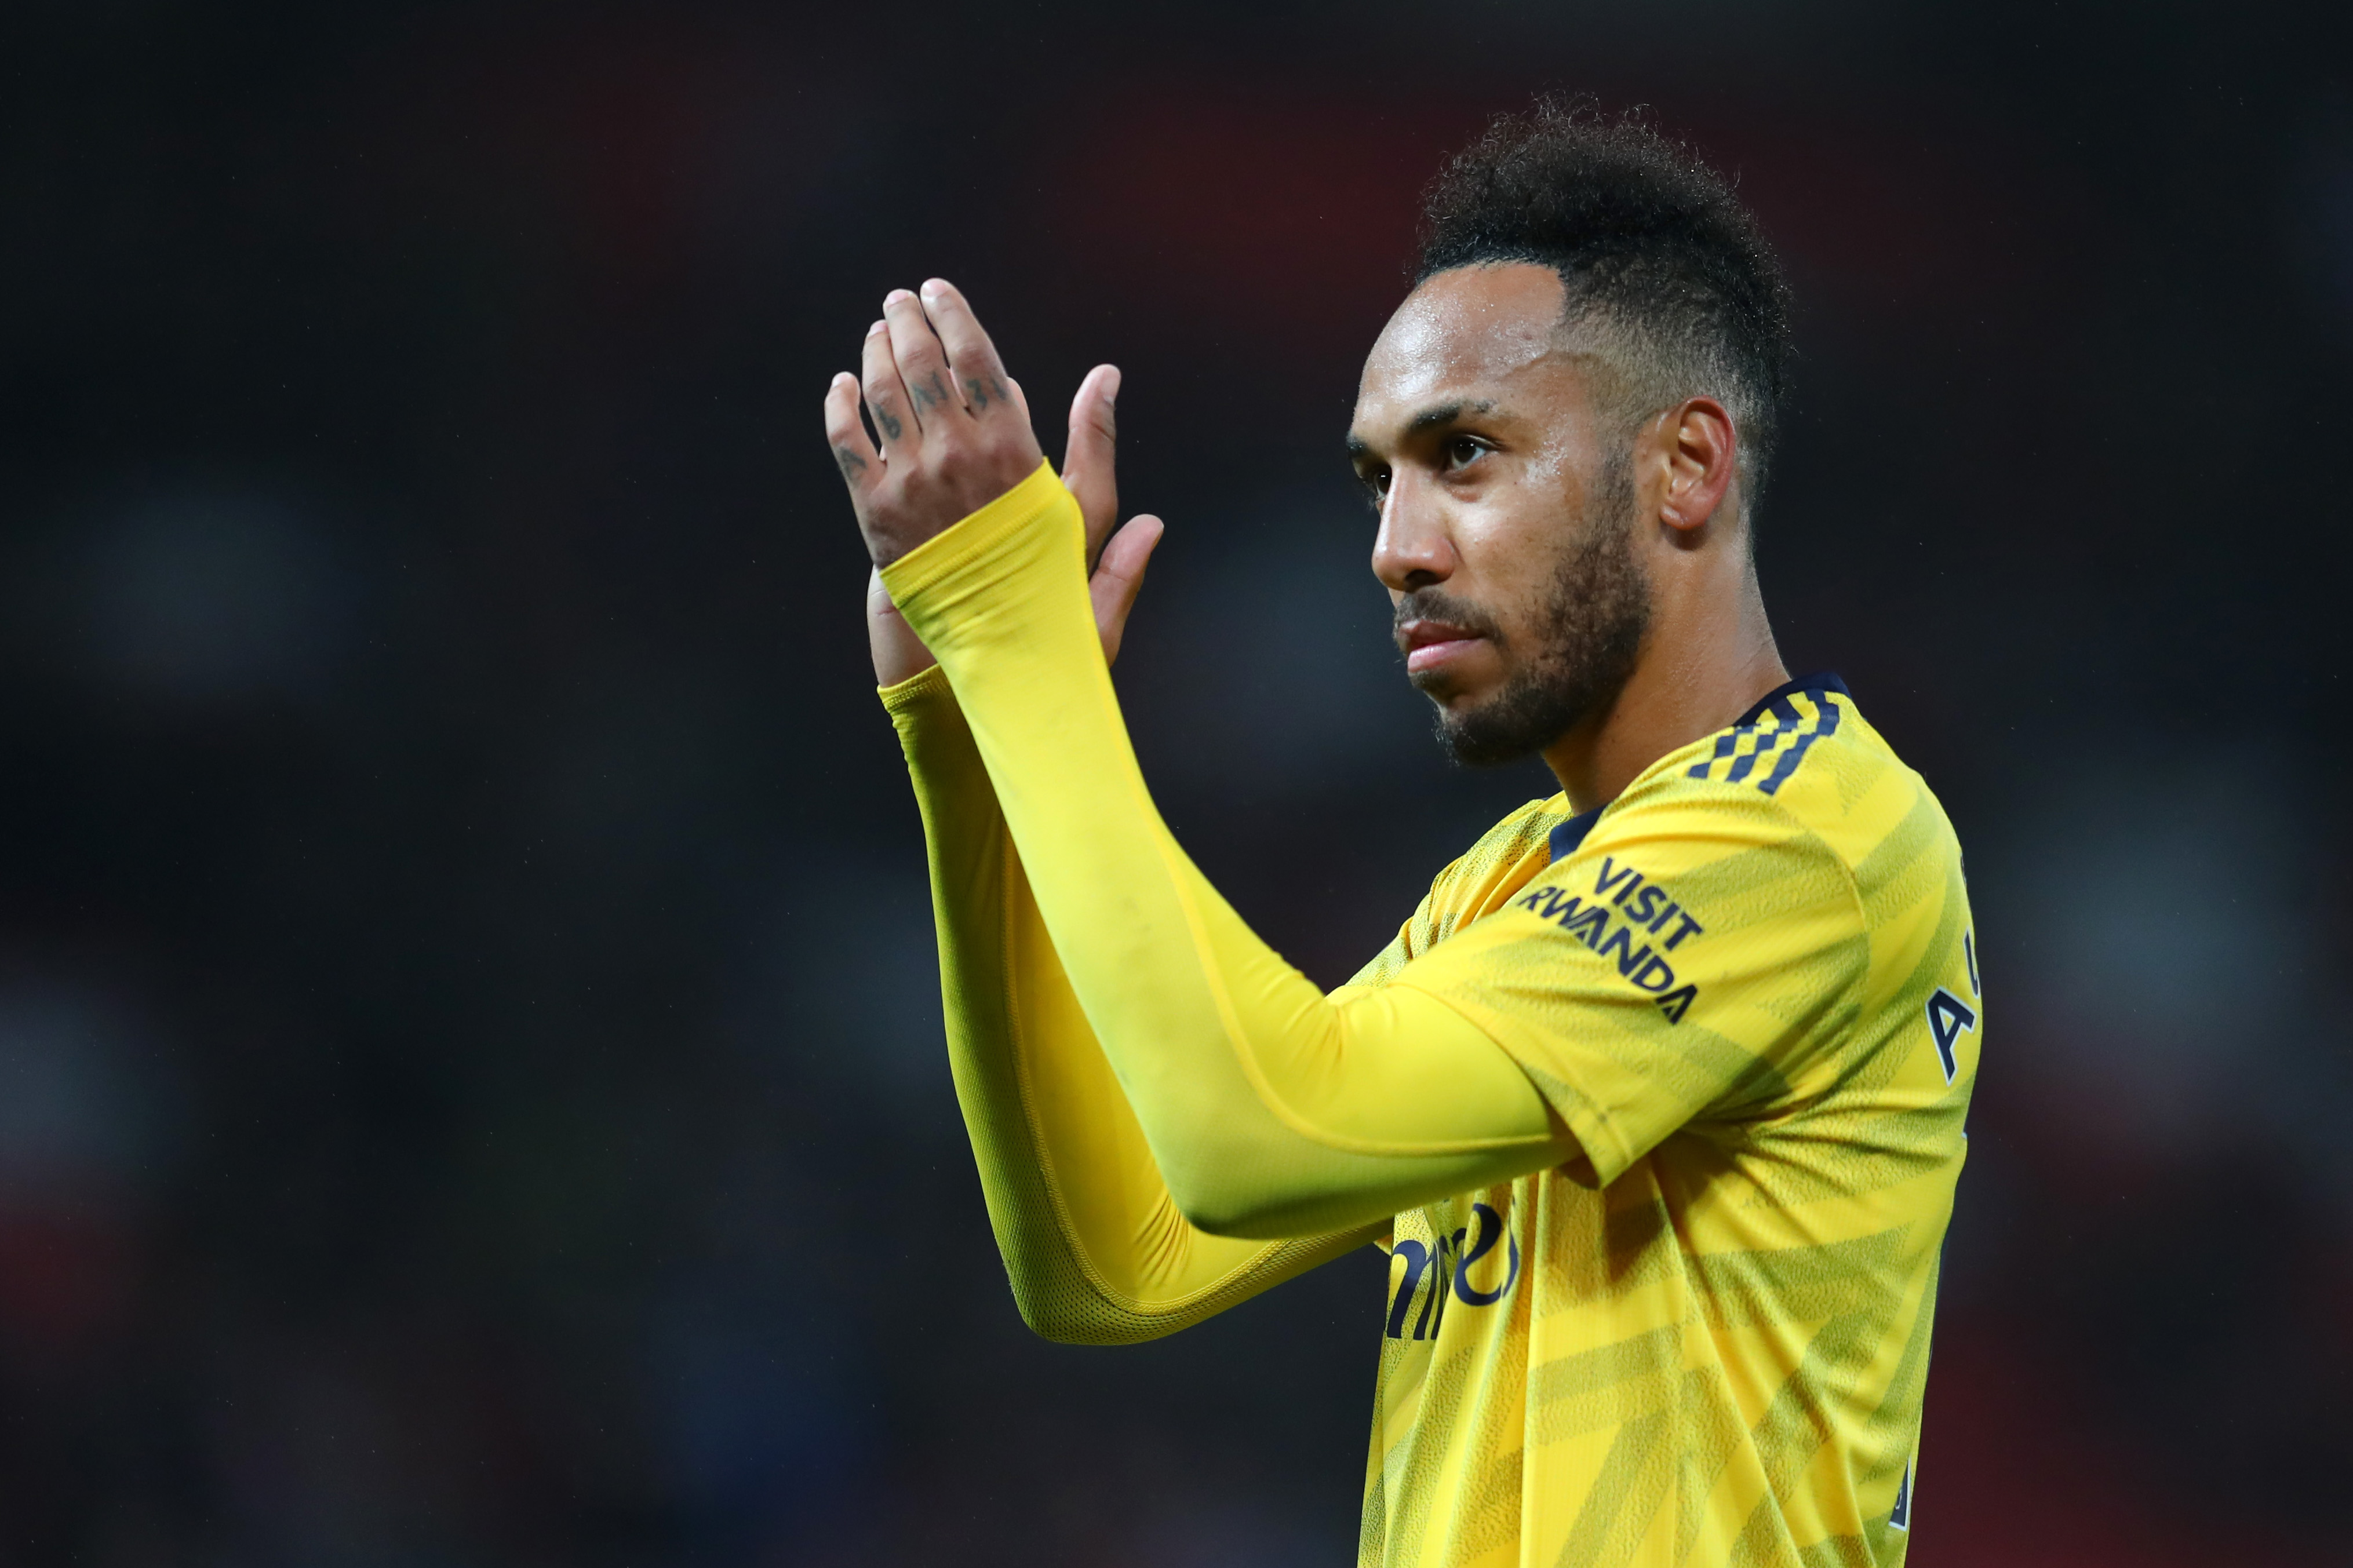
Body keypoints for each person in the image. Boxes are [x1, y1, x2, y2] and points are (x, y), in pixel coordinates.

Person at [824, 100, 1979, 1568]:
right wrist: (978, 743)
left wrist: (1021, 642)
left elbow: (1254, 1135)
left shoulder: (1808, 834)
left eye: (1468, 455)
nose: (1394, 547)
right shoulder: (1503, 890)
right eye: (1380, 479)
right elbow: (1114, 1259)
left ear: (1685, 468)